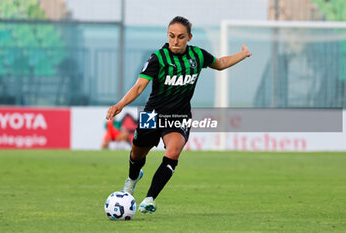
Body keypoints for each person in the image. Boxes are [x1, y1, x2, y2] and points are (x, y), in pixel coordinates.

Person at [106, 16, 251, 214]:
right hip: (152, 114)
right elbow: (140, 86)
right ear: (168, 36)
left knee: (173, 152)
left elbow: (221, 63)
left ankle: (149, 198)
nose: (175, 41)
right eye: (172, 36)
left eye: (181, 37)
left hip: (179, 115)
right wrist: (120, 104)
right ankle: (132, 179)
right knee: (136, 153)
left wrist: (243, 54)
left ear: (189, 37)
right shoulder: (158, 58)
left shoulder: (198, 55)